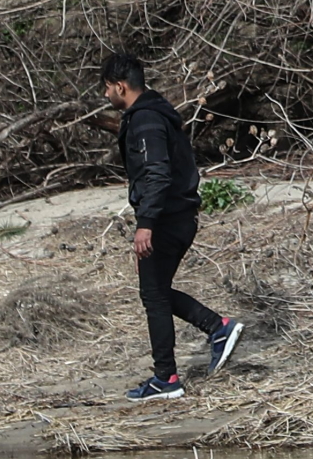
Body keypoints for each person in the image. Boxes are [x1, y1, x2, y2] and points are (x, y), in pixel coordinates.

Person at [103, 51, 243, 401]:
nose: (106, 96)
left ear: (121, 86)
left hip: (168, 218)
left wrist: (145, 224)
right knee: (156, 290)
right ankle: (218, 328)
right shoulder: (155, 112)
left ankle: (167, 377)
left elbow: (157, 173)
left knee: (153, 294)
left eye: (107, 88)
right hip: (177, 216)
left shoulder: (146, 120)